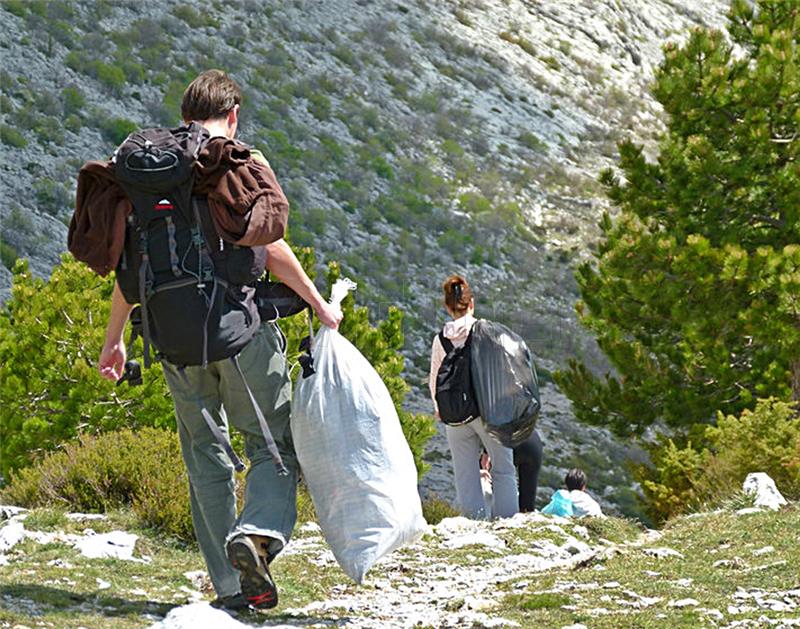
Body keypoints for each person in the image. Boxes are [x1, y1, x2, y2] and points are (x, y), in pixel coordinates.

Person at [97, 70, 343, 611]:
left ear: (185, 113)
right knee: (272, 448)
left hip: (172, 342)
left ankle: (229, 590)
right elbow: (272, 247)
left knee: (204, 460)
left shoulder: (146, 172)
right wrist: (319, 303)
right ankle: (253, 535)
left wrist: (113, 341)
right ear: (231, 115)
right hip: (238, 334)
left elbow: (128, 268)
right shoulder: (230, 163)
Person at [429, 275, 518, 519]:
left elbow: (435, 379)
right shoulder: (486, 332)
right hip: (487, 413)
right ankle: (507, 522)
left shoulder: (441, 339)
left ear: (447, 307)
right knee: (503, 470)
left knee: (465, 474)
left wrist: (441, 409)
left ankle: (473, 524)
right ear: (472, 304)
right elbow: (504, 373)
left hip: (455, 415)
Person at [480, 429, 544, 514]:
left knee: (497, 477)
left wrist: (486, 451)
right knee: (527, 504)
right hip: (533, 443)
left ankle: (493, 513)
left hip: (508, 442)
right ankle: (525, 518)